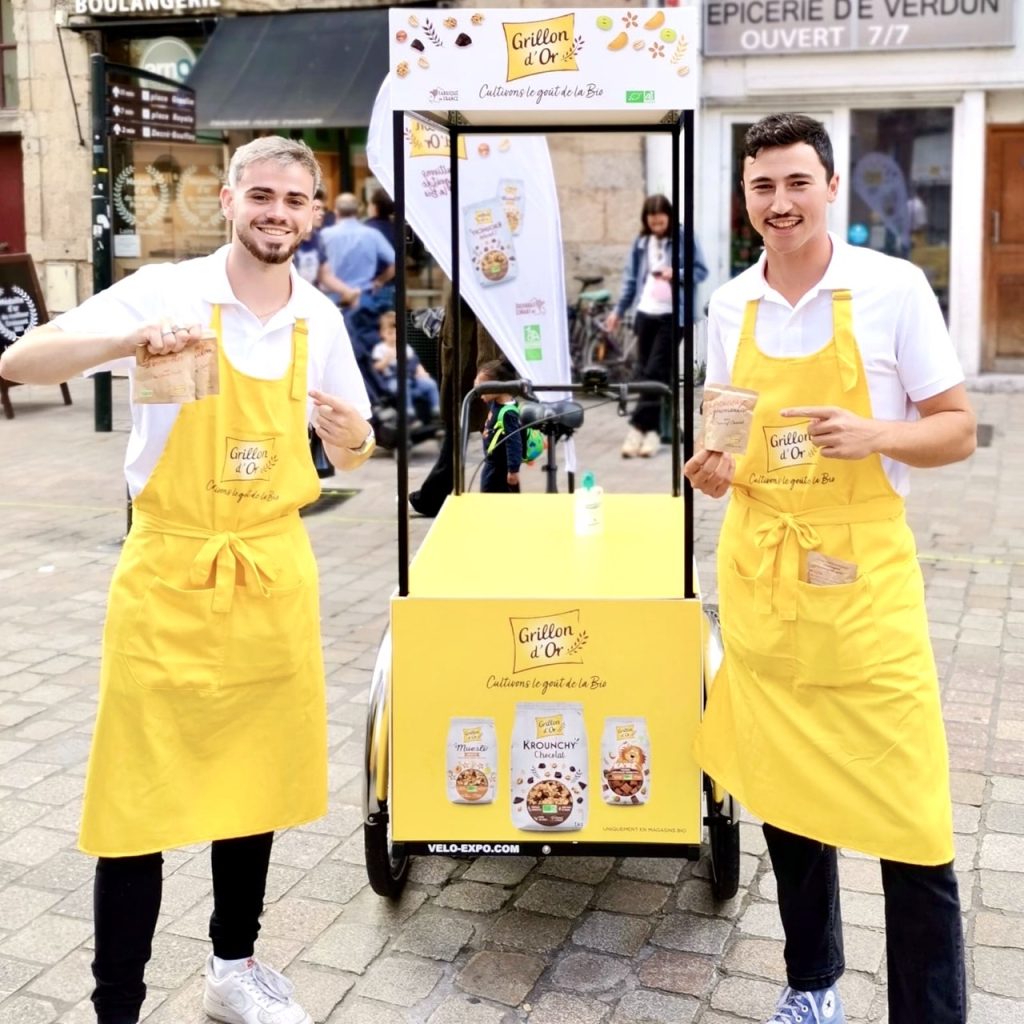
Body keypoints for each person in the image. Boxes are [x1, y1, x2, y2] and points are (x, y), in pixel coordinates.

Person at [0, 136, 375, 1024]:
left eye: (295, 199)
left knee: (253, 783)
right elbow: (19, 361)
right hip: (169, 571)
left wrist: (349, 428)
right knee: (138, 798)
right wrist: (128, 339)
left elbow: (357, 451)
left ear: (314, 214)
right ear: (230, 201)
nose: (276, 212)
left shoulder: (318, 320)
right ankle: (117, 1007)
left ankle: (233, 968)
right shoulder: (168, 292)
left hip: (271, 573)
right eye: (261, 195)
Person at [684, 114, 975, 1024]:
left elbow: (958, 427)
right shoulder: (730, 303)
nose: (779, 203)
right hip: (765, 579)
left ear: (831, 187)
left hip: (863, 586)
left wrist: (878, 434)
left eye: (796, 183)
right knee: (786, 792)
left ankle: (930, 1013)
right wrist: (712, 466)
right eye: (762, 186)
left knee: (911, 814)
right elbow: (723, 428)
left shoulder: (891, 288)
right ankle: (812, 986)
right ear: (747, 197)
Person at [605, 193, 708, 459]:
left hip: (672, 316)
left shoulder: (684, 237)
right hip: (645, 313)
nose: (658, 228)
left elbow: (700, 271)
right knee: (648, 374)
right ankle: (652, 432)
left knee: (653, 371)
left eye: (662, 223)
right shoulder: (642, 243)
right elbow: (630, 281)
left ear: (669, 218)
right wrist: (618, 311)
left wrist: (677, 273)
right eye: (653, 224)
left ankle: (637, 430)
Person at [372, 309, 440, 425]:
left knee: (430, 384)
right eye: (390, 333)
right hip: (393, 381)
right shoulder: (380, 349)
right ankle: (409, 414)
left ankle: (436, 411)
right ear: (382, 333)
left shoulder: (405, 348)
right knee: (403, 386)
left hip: (412, 379)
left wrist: (421, 371)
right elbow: (376, 367)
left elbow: (415, 362)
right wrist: (387, 359)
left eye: (397, 333)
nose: (394, 336)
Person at [475, 357, 523, 494]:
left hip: (500, 469)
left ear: (499, 386)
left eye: (483, 387)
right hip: (491, 463)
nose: (479, 392)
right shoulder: (495, 402)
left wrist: (513, 470)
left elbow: (514, 442)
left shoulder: (508, 413)